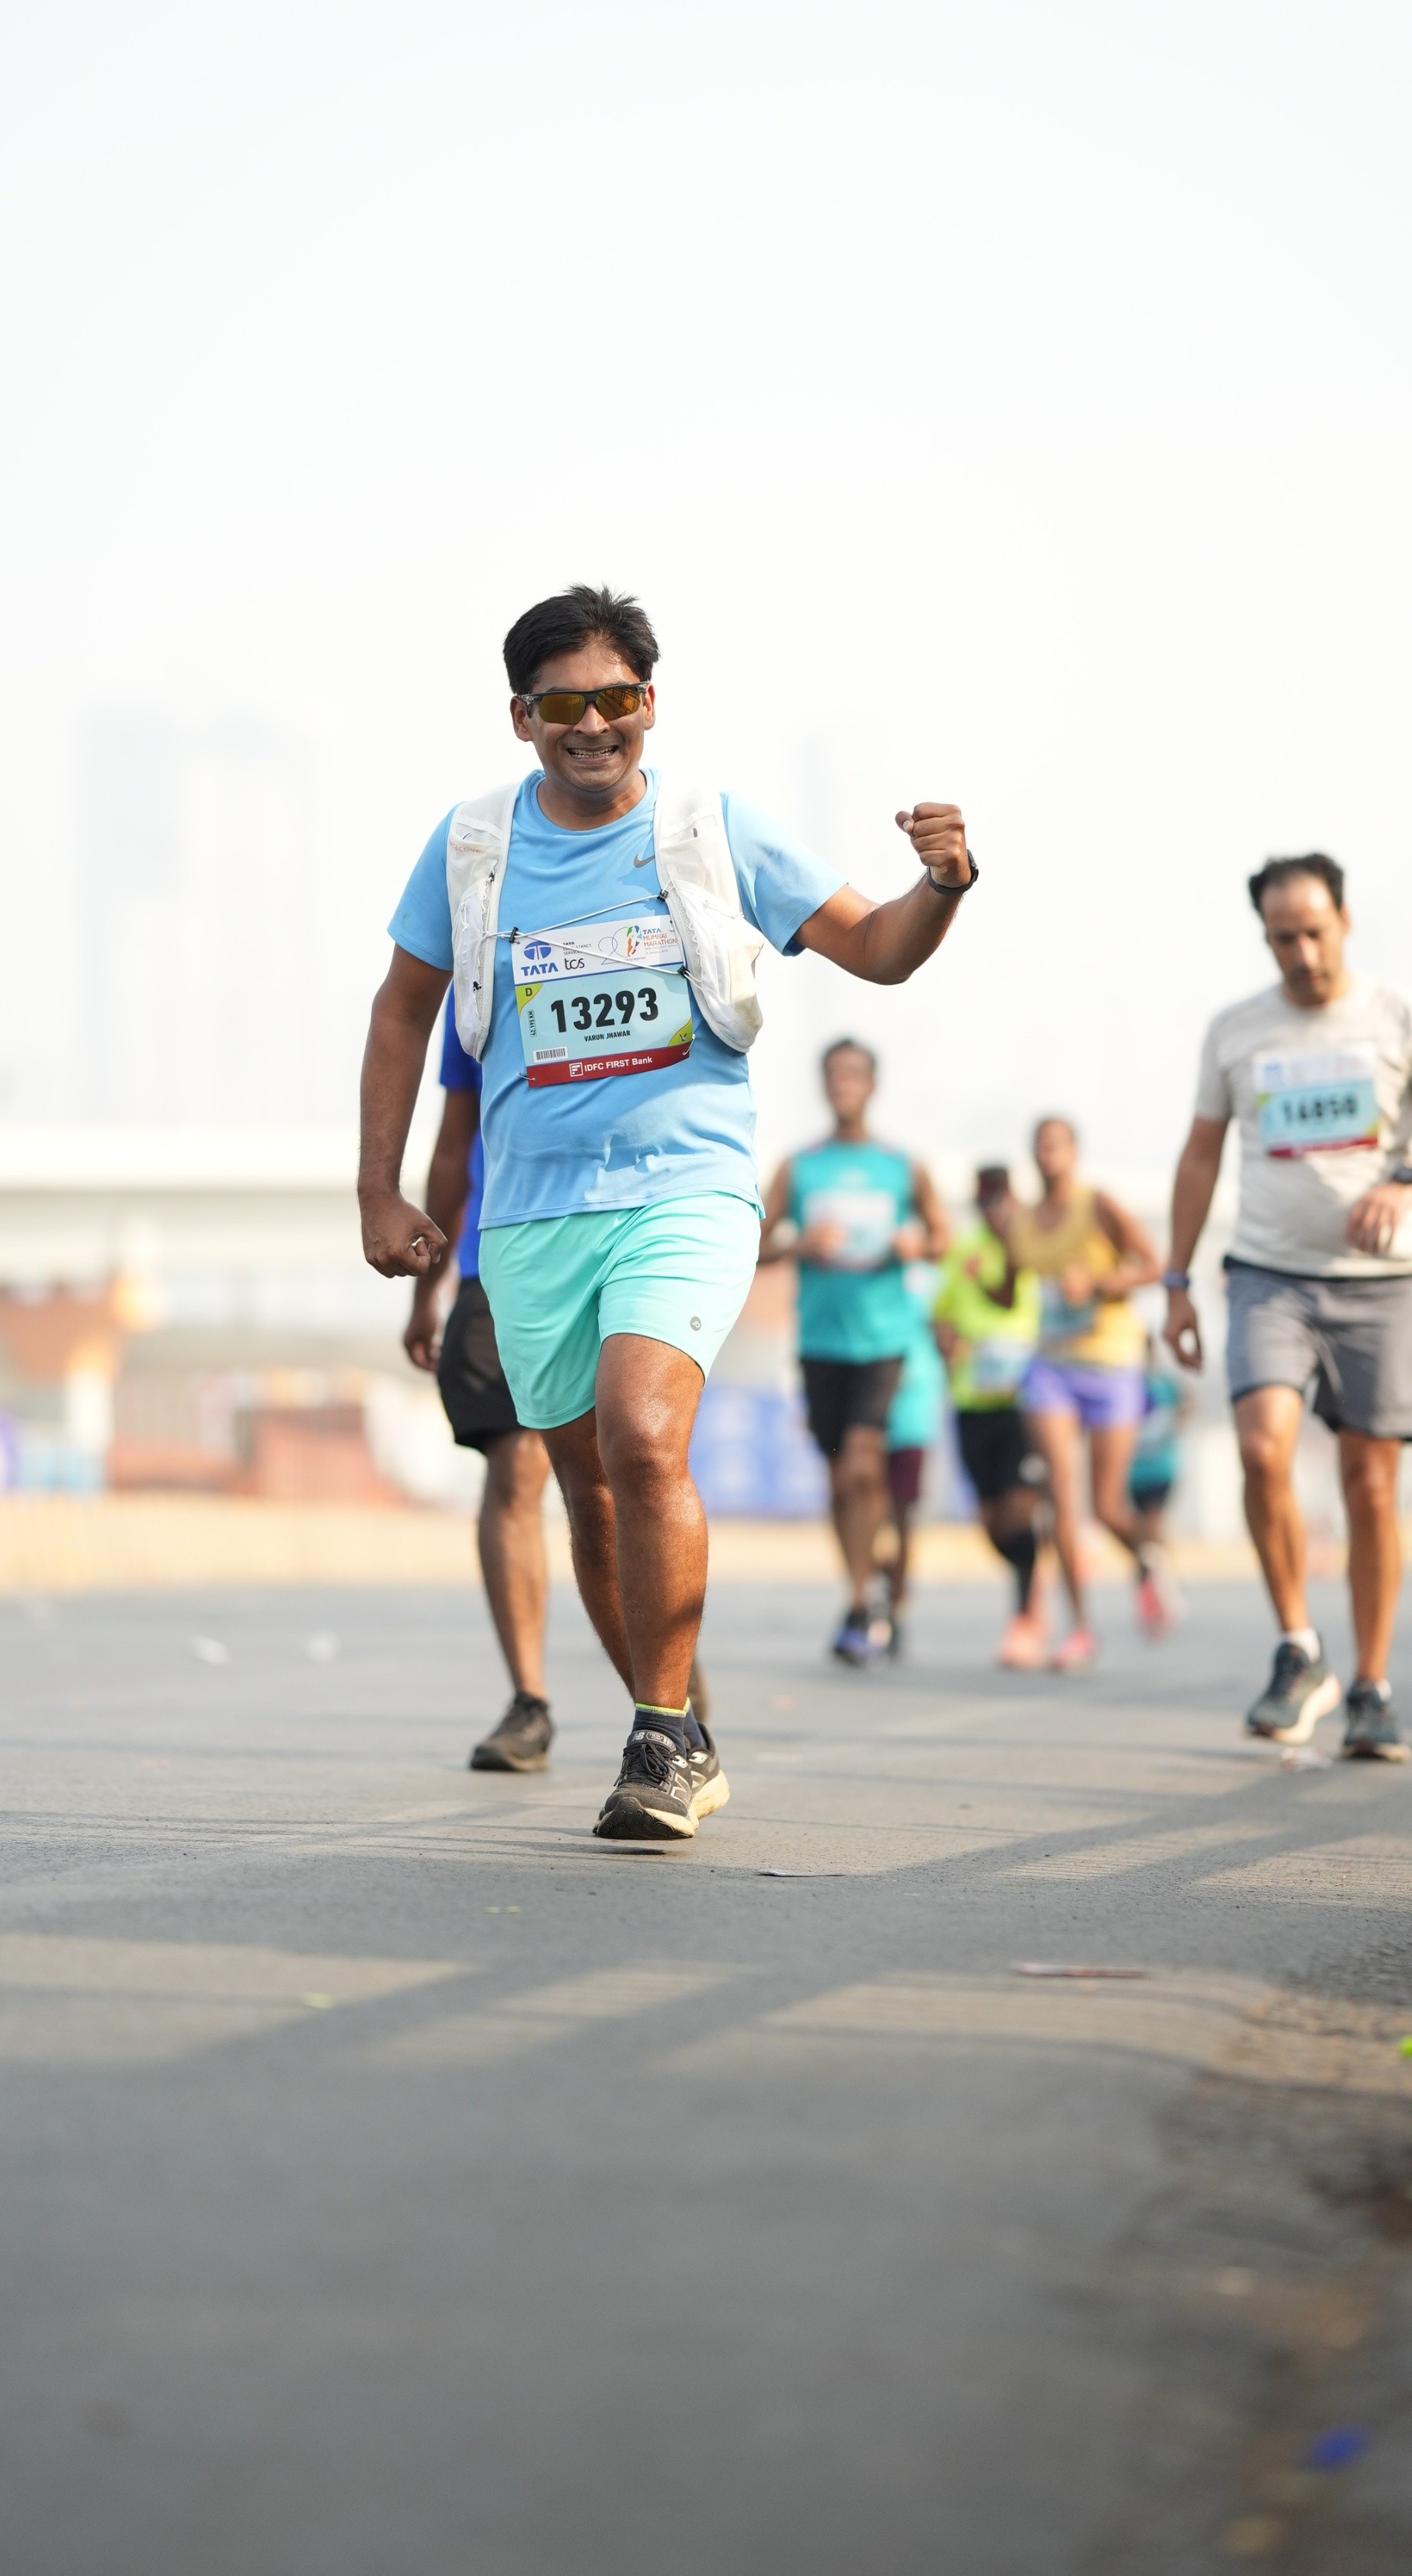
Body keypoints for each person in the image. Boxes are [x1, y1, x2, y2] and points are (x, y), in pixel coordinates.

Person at [358, 582, 977, 1842]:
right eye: (565, 704)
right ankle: (677, 1709)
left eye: (618, 700)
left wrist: (947, 884)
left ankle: (656, 1736)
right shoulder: (473, 846)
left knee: (644, 1435)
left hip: (687, 1190)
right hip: (531, 1215)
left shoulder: (711, 831)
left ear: (653, 704)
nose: (595, 726)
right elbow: (401, 1011)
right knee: (587, 1485)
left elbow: (880, 948)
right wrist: (380, 1186)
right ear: (524, 716)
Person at [1163, 851, 1412, 1762]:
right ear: (1265, 938)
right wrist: (1174, 1280)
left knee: (1370, 1484)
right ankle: (1298, 1648)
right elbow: (1200, 1157)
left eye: (1315, 931)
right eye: (1283, 938)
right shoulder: (1236, 1030)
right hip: (1268, 1275)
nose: (1303, 953)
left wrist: (1410, 1175)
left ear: (1345, 921)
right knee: (1261, 1445)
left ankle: (1373, 1684)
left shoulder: (1400, 1016)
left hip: (1381, 1285)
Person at [403, 1001, 560, 1770]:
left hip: (610, 1245)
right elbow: (452, 1144)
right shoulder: (477, 985)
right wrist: (425, 1289)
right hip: (496, 1258)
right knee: (517, 1465)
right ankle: (529, 1700)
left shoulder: (641, 934)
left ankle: (665, 1687)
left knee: (622, 1470)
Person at [760, 1039, 951, 1666]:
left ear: (872, 1085)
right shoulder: (801, 1165)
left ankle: (863, 1594)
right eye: (834, 1075)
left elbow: (944, 1236)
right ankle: (861, 1589)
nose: (844, 1085)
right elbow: (754, 1244)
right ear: (823, 1084)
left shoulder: (901, 1165)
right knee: (840, 1477)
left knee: (865, 1462)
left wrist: (915, 1244)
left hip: (884, 1337)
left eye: (854, 1075)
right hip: (820, 1340)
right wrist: (797, 1243)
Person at [1007, 1118, 1168, 1659]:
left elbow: (1153, 1266)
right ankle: (1079, 1626)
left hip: (1109, 1364)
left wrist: (1098, 1285)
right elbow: (1006, 1292)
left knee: (1106, 1505)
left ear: (1074, 1153)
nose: (1047, 1155)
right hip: (1051, 1366)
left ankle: (1147, 1559)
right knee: (1061, 1497)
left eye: (1056, 1146)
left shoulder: (1097, 1205)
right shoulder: (1023, 1222)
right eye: (1039, 1146)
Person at [933, 1167, 1052, 1666]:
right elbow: (940, 1311)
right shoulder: (965, 1249)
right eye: (984, 1204)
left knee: (1019, 1509)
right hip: (973, 1400)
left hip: (1026, 1402)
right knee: (991, 1523)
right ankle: (1036, 1565)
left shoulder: (1036, 1244)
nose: (994, 1212)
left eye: (1000, 1201)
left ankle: (1025, 1618)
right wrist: (947, 1340)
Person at [878, 1262, 948, 1654]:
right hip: (869, 1403)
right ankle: (880, 1584)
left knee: (902, 1515)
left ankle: (895, 1603)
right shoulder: (869, 1265)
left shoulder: (935, 1279)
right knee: (864, 1505)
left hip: (913, 1409)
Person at [1128, 1362, 1190, 1589]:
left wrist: (1170, 1431)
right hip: (1131, 1472)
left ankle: (1163, 1578)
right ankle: (1148, 1579)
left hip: (1160, 1467)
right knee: (1137, 1529)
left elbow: (1186, 1403)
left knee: (1155, 1522)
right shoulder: (1124, 1382)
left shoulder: (1164, 1384)